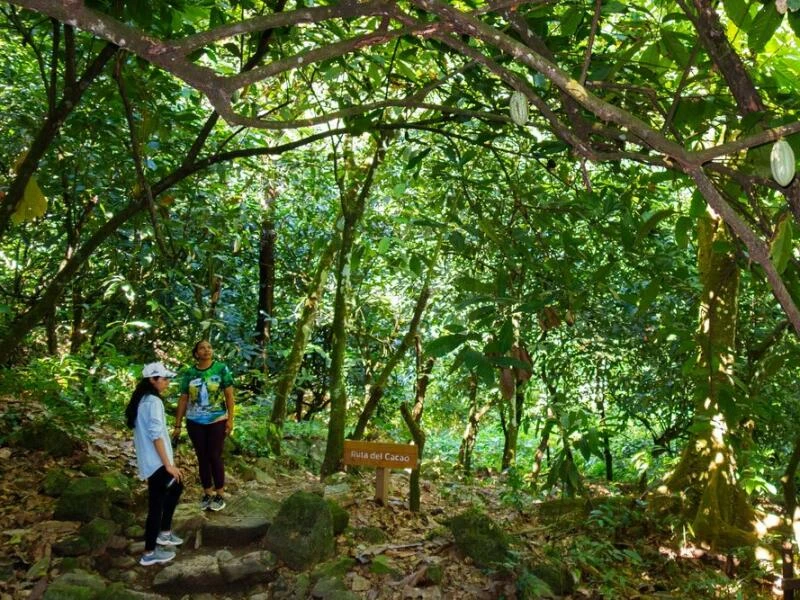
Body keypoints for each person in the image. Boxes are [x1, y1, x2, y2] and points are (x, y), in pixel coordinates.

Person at [125, 361, 184, 566]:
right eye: (164, 378)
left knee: (176, 486)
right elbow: (156, 434)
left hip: (151, 461)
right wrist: (168, 464)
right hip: (157, 462)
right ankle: (149, 552)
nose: (167, 382)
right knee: (157, 504)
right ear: (152, 380)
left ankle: (164, 534)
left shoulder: (142, 400)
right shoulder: (153, 402)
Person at [173, 340, 235, 512]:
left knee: (214, 455)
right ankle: (207, 493)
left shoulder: (221, 369)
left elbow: (229, 395)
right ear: (196, 353)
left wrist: (230, 419)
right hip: (194, 421)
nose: (207, 350)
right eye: (202, 348)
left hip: (217, 419)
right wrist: (177, 425)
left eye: (209, 347)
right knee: (202, 457)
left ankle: (220, 494)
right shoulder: (190, 373)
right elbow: (184, 398)